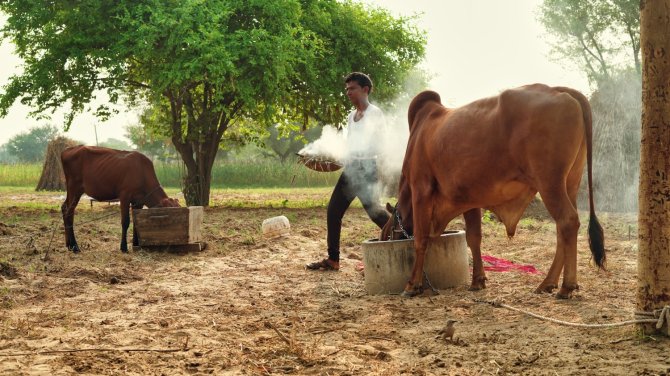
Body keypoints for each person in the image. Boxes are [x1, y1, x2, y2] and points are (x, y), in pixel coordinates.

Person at [306, 72, 391, 271]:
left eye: (352, 88)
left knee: (376, 213)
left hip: (367, 168)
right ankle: (333, 259)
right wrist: (334, 156)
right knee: (333, 211)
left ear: (365, 89)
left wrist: (357, 153)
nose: (348, 92)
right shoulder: (351, 117)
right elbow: (350, 145)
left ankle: (406, 238)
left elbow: (382, 145)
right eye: (346, 89)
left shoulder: (375, 114)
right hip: (351, 169)